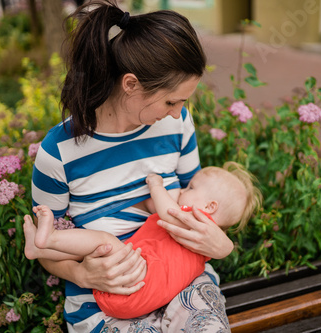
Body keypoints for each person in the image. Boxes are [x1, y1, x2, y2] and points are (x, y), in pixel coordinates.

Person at [31, 0, 235, 331]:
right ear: (130, 84)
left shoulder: (177, 123)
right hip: (107, 298)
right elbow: (46, 246)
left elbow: (195, 204)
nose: (177, 112)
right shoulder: (59, 152)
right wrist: (82, 273)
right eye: (171, 101)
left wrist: (223, 245)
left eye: (183, 102)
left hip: (183, 282)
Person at [24, 162, 262, 319]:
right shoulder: (203, 245)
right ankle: (42, 247)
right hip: (133, 297)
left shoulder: (195, 224)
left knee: (104, 241)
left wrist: (156, 185)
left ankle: (51, 238)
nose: (182, 190)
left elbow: (168, 211)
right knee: (97, 248)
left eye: (190, 187)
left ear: (210, 207)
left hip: (133, 280)